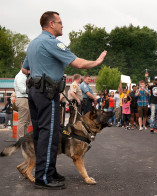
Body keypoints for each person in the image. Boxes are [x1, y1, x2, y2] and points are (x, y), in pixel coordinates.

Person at [21, 11, 107, 189]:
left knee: (41, 133)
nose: (62, 25)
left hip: (35, 92)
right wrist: (97, 62)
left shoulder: (33, 43)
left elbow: (24, 70)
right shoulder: (51, 42)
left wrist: (42, 72)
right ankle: (44, 177)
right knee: (49, 134)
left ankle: (49, 172)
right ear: (51, 24)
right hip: (47, 93)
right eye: (59, 22)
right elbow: (79, 64)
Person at [14, 67, 31, 139]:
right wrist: (33, 89)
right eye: (28, 69)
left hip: (25, 100)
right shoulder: (20, 76)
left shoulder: (24, 76)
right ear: (23, 67)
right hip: (22, 99)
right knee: (22, 122)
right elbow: (22, 90)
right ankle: (20, 141)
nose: (30, 71)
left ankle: (24, 140)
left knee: (26, 123)